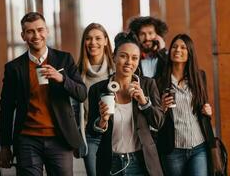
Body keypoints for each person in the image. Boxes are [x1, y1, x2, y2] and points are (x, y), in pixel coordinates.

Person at [0, 12, 87, 176]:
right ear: (23, 36)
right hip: (27, 139)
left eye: (40, 30)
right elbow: (6, 108)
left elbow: (81, 94)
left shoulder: (64, 59)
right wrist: (5, 146)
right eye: (30, 31)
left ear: (47, 31)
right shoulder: (14, 68)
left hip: (60, 137)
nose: (36, 35)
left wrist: (62, 78)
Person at [86, 31, 164, 175]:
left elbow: (158, 122)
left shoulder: (147, 85)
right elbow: (91, 131)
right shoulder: (97, 90)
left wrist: (144, 102)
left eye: (134, 58)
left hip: (142, 162)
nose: (129, 62)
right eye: (123, 56)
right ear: (113, 57)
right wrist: (102, 121)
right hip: (111, 163)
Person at [156, 34, 213, 176]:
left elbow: (202, 107)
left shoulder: (199, 77)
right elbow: (154, 120)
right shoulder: (159, 82)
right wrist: (161, 108)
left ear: (190, 53)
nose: (178, 50)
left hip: (199, 147)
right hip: (173, 149)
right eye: (174, 47)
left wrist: (208, 111)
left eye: (183, 47)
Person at [75, 23, 114, 176]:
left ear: (105, 41)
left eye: (98, 38)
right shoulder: (76, 72)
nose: (93, 43)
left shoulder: (116, 69)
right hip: (90, 135)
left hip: (114, 134)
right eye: (88, 38)